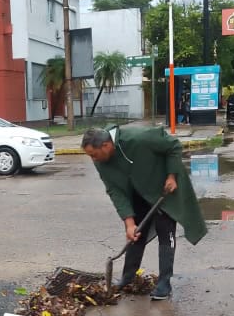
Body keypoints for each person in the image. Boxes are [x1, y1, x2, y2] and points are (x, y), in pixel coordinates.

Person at [82, 126, 207, 300]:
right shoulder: (101, 162)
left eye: (93, 154)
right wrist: (129, 222)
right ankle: (127, 277)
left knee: (166, 231)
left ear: (105, 145)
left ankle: (164, 283)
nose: (92, 159)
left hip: (164, 189)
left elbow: (173, 145)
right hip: (138, 193)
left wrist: (171, 176)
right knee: (136, 233)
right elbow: (114, 190)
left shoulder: (139, 137)